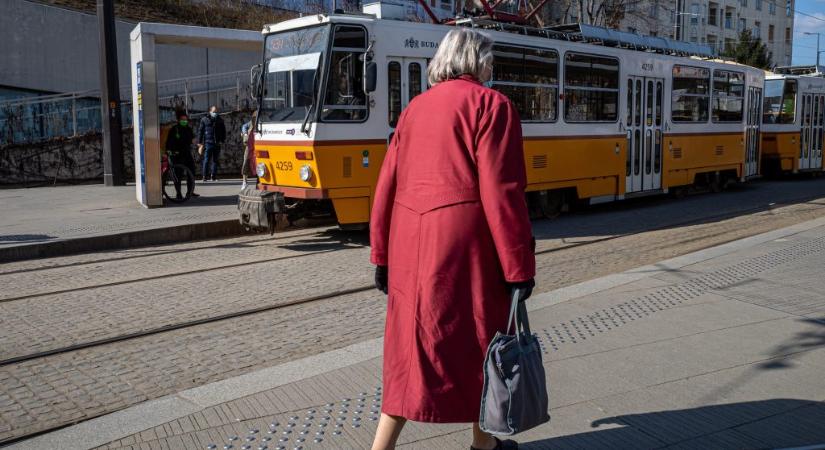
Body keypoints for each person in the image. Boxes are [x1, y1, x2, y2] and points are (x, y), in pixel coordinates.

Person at [369, 29, 536, 450]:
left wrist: (382, 255)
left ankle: (382, 447)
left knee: (408, 353)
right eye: (489, 61)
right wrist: (518, 267)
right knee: (482, 344)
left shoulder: (414, 109)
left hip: (409, 244)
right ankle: (483, 445)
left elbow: (386, 186)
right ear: (478, 61)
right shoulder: (492, 106)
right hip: (467, 249)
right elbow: (503, 192)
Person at [164, 111, 199, 198]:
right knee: (178, 175)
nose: (184, 121)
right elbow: (170, 142)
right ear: (179, 120)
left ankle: (190, 192)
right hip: (177, 155)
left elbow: (192, 139)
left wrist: (196, 143)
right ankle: (178, 193)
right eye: (183, 120)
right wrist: (169, 152)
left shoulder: (188, 129)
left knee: (191, 172)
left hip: (187, 153)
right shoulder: (174, 129)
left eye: (186, 120)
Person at [197, 105, 227, 182]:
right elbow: (200, 131)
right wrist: (199, 142)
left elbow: (223, 131)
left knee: (215, 160)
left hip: (217, 143)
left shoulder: (220, 120)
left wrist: (222, 140)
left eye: (216, 111)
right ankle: (204, 176)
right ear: (210, 111)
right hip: (208, 142)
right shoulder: (204, 119)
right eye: (214, 111)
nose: (215, 113)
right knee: (206, 159)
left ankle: (213, 176)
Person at [240, 111, 257, 190]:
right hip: (249, 146)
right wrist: (245, 134)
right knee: (246, 163)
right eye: (254, 117)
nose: (255, 119)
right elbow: (244, 126)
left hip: (258, 146)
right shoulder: (250, 123)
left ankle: (259, 182)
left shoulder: (262, 123)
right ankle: (244, 182)